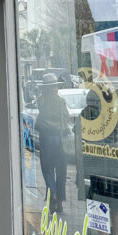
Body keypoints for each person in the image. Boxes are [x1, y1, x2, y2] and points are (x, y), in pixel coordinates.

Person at [36, 73, 71, 214]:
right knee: (61, 170)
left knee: (47, 169)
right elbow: (67, 117)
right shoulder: (61, 101)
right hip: (60, 139)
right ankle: (60, 201)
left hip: (46, 138)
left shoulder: (41, 101)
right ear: (55, 87)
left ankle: (53, 195)